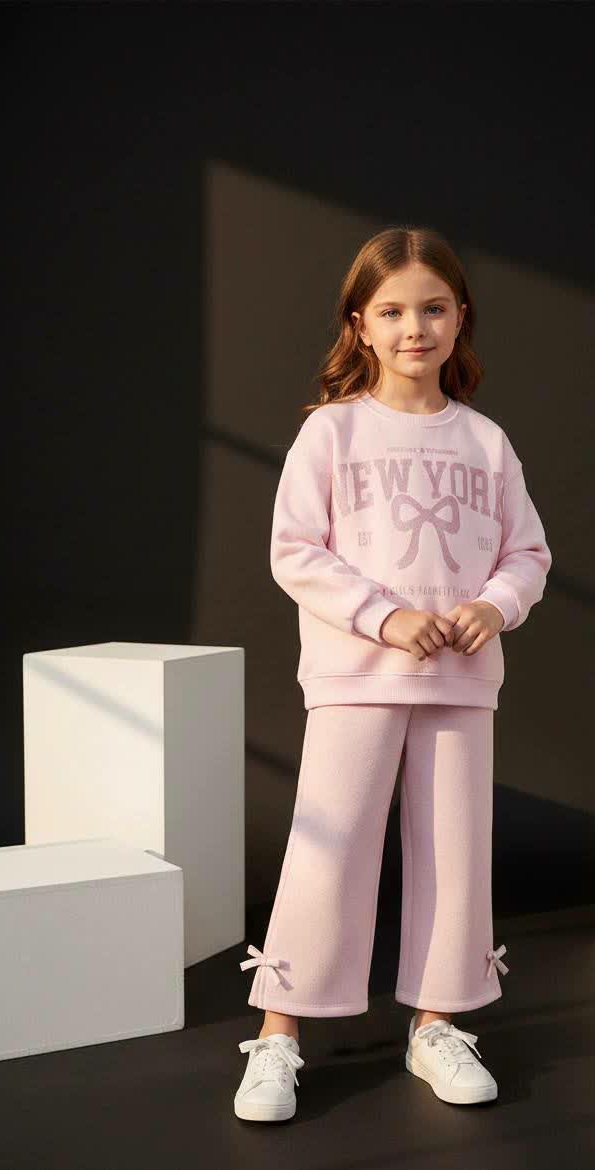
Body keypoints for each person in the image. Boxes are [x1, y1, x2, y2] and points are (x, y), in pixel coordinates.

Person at [233, 226, 553, 1122]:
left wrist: (494, 606)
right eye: (393, 311)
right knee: (329, 848)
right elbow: (295, 550)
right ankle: (280, 1034)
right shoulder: (331, 432)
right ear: (360, 324)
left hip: (461, 683)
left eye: (433, 308)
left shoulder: (486, 442)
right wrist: (387, 617)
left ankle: (437, 1024)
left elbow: (528, 553)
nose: (415, 327)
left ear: (460, 318)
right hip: (356, 678)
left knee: (456, 851)